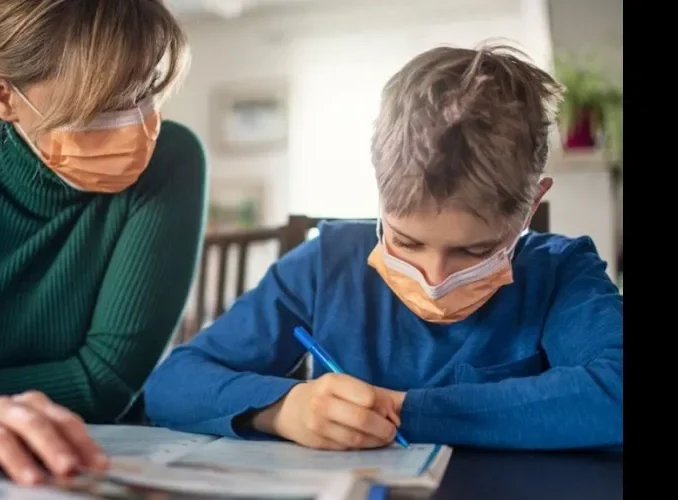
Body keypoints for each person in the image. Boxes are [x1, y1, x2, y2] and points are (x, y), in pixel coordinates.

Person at [144, 44, 623, 452]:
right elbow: (172, 384)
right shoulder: (326, 264)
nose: (433, 280)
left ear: (532, 204)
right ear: (378, 190)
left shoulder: (562, 273)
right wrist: (282, 410)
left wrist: (402, 410)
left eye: (474, 252)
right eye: (407, 241)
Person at [0, 0, 207, 485]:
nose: (138, 126)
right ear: (1, 95)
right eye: (100, 107)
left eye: (146, 92)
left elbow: (104, 382)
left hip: (108, 453)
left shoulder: (171, 161)